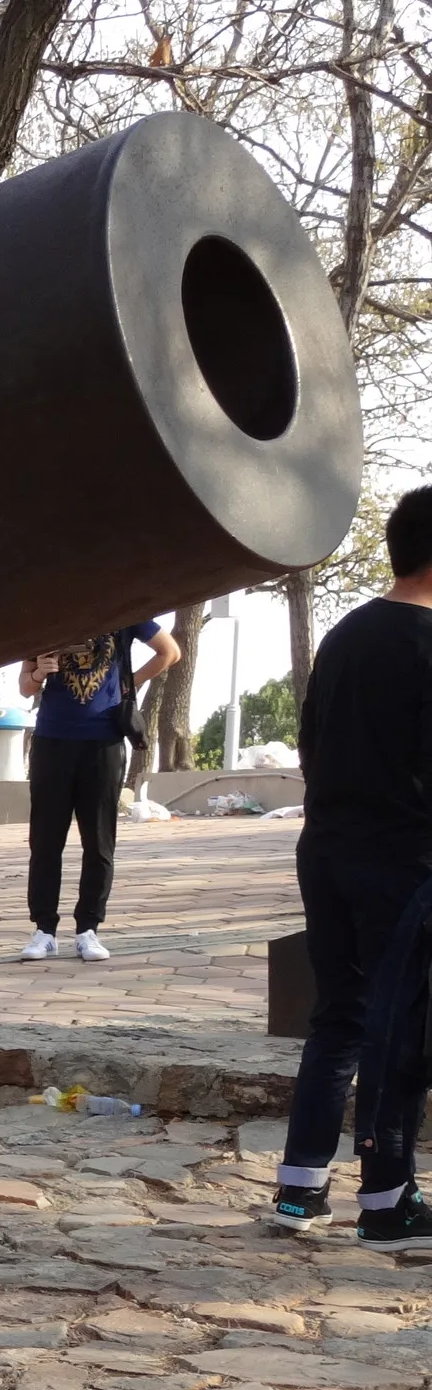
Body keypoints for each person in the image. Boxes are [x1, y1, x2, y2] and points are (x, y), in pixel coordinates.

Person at [271, 487, 432, 1244]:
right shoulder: (427, 642)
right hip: (402, 859)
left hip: (327, 847)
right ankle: (387, 1200)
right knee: (399, 1030)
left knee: (338, 1017)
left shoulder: (344, 636)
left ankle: (300, 1186)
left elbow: (311, 741)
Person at [16, 620, 180, 960]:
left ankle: (88, 929)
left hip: (103, 743)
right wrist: (39, 673)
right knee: (45, 841)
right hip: (51, 741)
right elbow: (25, 688)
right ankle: (44, 930)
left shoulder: (124, 613)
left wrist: (128, 682)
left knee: (99, 841)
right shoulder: (46, 616)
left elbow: (170, 651)